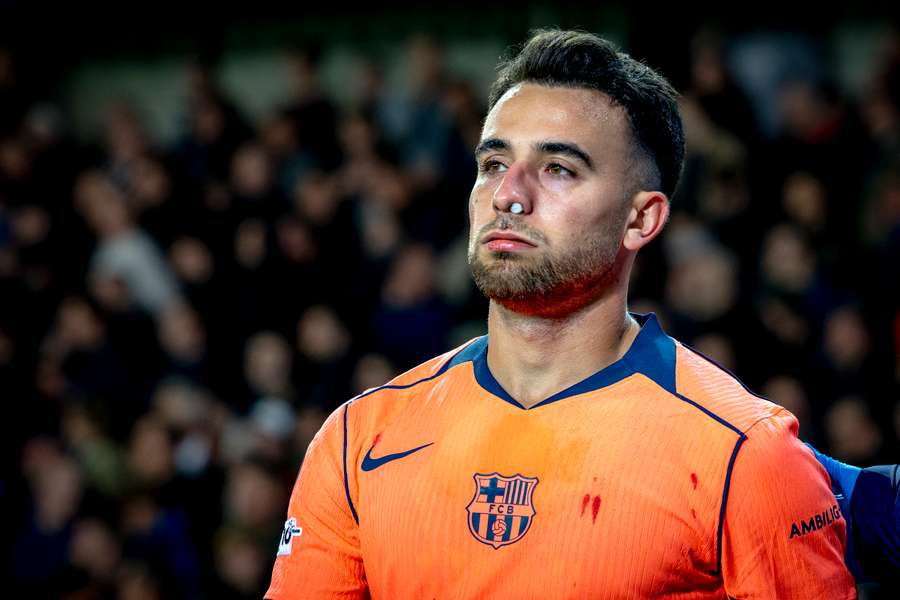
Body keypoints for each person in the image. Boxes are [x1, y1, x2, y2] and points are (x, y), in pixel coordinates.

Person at [266, 30, 857, 598]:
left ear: (641, 220)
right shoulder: (356, 440)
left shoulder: (744, 455)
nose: (509, 195)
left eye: (558, 169)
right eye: (494, 164)